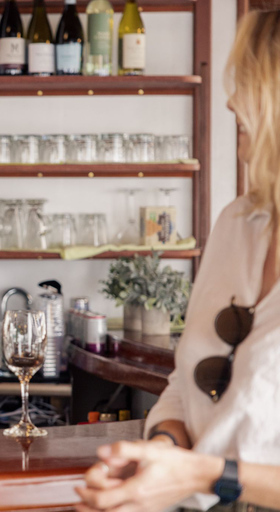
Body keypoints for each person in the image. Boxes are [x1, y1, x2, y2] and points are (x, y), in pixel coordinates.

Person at [77, 10, 280, 512]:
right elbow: (184, 386)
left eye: (247, 85)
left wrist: (204, 474)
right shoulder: (240, 222)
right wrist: (161, 451)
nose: (230, 100)